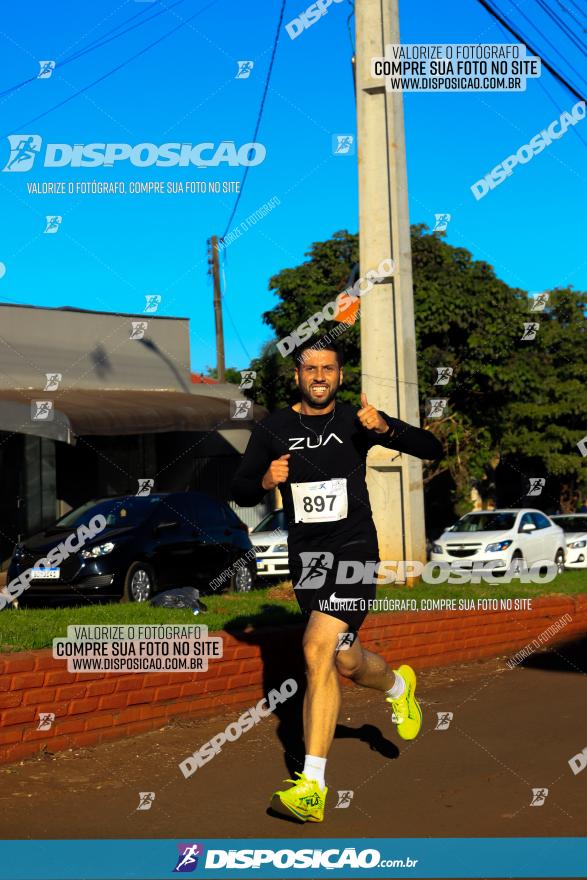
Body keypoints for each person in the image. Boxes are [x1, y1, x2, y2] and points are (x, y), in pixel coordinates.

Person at [230, 337, 442, 823]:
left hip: (356, 550)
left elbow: (431, 447)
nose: (320, 376)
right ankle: (396, 688)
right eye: (311, 369)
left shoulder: (355, 420)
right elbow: (238, 487)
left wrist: (387, 426)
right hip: (308, 559)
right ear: (298, 376)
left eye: (329, 368)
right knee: (345, 661)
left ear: (341, 376)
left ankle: (312, 786)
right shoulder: (274, 428)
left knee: (315, 650)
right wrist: (264, 481)